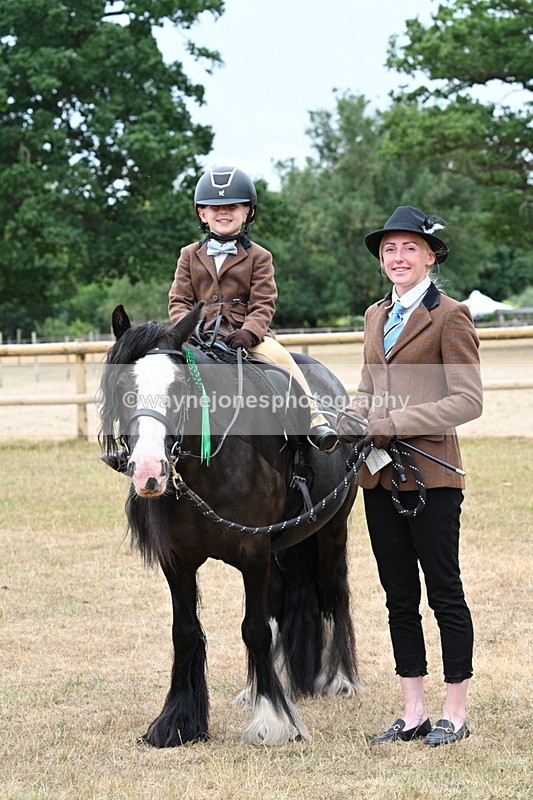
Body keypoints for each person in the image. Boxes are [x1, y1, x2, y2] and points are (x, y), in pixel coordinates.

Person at [336, 205, 483, 746]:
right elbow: (367, 388)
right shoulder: (375, 315)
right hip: (379, 479)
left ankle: (455, 711)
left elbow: (467, 400)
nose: (398, 257)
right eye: (389, 249)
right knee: (398, 595)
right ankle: (413, 710)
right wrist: (350, 417)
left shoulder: (451, 316)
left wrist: (395, 423)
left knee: (444, 593)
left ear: (430, 256)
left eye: (409, 248)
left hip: (432, 478)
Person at [168, 165, 338, 452]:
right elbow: (179, 301)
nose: (223, 213)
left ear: (248, 212)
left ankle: (314, 419)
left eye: (232, 207)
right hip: (197, 335)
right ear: (202, 213)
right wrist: (187, 329)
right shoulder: (188, 255)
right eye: (215, 208)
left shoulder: (260, 256)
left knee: (281, 358)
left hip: (246, 336)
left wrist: (250, 332)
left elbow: (263, 302)